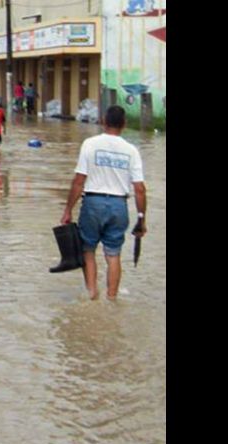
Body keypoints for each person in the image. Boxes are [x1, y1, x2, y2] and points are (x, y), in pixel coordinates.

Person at [60, 105, 147, 301]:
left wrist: (68, 210)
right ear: (124, 124)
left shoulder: (90, 144)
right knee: (113, 254)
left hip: (93, 203)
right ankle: (112, 297)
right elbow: (140, 189)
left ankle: (92, 294)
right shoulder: (131, 150)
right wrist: (141, 218)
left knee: (88, 250)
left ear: (103, 121)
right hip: (119, 205)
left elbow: (79, 181)